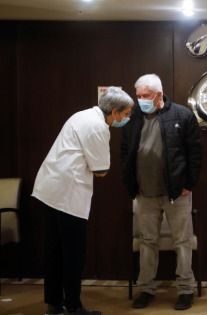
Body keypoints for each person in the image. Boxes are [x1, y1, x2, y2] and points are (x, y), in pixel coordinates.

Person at [32, 87, 134, 315]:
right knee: (73, 253)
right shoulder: (98, 126)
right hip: (67, 195)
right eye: (126, 113)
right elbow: (101, 170)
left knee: (54, 250)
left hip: (48, 189)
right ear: (115, 112)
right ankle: (74, 306)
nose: (126, 118)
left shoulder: (81, 114)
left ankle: (54, 303)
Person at [120, 74, 202, 310]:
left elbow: (195, 153)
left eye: (145, 96)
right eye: (138, 96)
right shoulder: (133, 118)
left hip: (176, 194)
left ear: (158, 94)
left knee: (182, 242)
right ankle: (146, 289)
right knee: (148, 242)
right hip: (145, 193)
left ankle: (185, 289)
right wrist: (130, 184)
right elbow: (125, 151)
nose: (140, 100)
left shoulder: (182, 115)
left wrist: (189, 184)